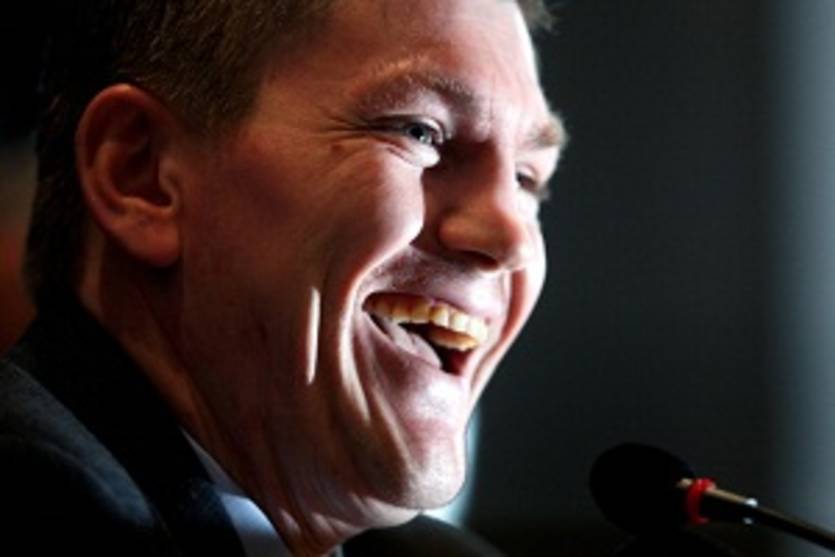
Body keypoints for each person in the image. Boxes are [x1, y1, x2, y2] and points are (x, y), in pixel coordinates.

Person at [0, 0, 565, 554]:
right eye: (420, 132)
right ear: (142, 175)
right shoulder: (46, 507)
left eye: (526, 178)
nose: (511, 240)